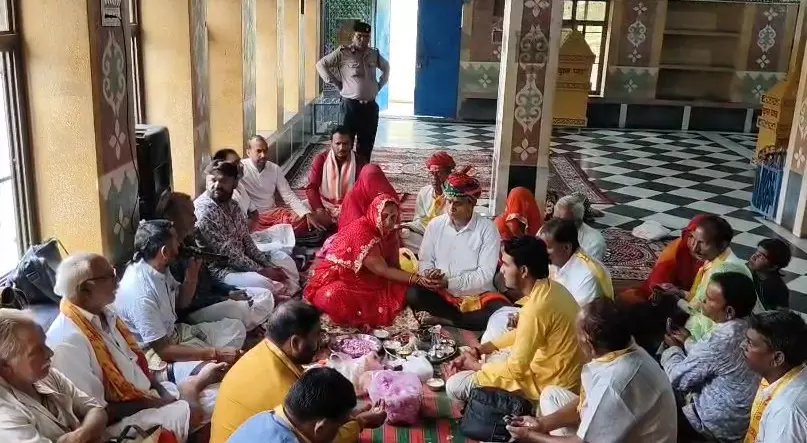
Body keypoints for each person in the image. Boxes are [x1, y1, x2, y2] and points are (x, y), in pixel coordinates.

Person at [46, 253, 224, 442]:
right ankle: (191, 388)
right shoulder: (68, 341)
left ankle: (190, 390)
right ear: (85, 289)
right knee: (217, 402)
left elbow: (137, 364)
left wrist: (161, 392)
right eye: (110, 276)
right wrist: (152, 403)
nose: (118, 281)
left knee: (220, 385)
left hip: (147, 395)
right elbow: (98, 413)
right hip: (119, 423)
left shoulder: (106, 313)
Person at [210, 301, 385, 443]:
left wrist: (345, 415)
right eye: (316, 336)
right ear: (295, 343)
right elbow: (321, 436)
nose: (320, 343)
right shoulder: (285, 389)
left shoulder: (261, 351)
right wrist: (360, 422)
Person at [505, 298, 677, 442]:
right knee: (551, 395)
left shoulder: (614, 384)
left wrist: (529, 436)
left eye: (577, 337)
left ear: (589, 344)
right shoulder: (626, 348)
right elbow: (588, 400)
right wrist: (542, 424)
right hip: (626, 426)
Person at [443, 236, 583, 404]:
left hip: (545, 385)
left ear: (523, 271)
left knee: (454, 385)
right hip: (555, 371)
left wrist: (476, 366)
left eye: (506, 264)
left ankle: (517, 405)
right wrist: (481, 349)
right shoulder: (553, 288)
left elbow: (516, 370)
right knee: (496, 327)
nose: (502, 270)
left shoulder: (537, 308)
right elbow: (523, 332)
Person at [115, 220, 246, 382]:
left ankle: (205, 360)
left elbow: (182, 303)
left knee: (236, 329)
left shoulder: (159, 268)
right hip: (155, 355)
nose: (180, 245)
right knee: (215, 371)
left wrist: (192, 275)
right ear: (164, 252)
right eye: (176, 241)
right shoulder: (141, 294)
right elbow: (163, 350)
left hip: (175, 334)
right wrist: (215, 353)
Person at [305, 194, 439, 327]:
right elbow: (383, 270)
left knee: (405, 291)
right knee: (331, 296)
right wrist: (417, 279)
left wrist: (410, 279)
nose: (389, 222)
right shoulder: (363, 233)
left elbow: (393, 265)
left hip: (373, 276)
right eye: (384, 216)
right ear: (375, 213)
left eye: (393, 217)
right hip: (346, 277)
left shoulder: (390, 232)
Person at [660, 272, 760, 442]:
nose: (702, 301)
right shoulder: (751, 324)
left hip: (710, 426)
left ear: (729, 311)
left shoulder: (722, 338)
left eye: (708, 299)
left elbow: (678, 379)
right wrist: (688, 342)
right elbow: (717, 359)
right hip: (738, 425)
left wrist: (672, 350)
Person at [157, 191, 276, 332]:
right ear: (173, 219)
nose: (195, 218)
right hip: (196, 311)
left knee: (265, 294)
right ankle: (248, 321)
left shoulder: (189, 241)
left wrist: (230, 291)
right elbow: (186, 304)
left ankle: (247, 321)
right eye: (190, 214)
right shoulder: (168, 255)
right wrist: (224, 298)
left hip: (216, 298)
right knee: (239, 309)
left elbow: (209, 278)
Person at [406, 171, 510, 330]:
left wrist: (449, 282)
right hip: (442, 292)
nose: (451, 208)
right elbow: (425, 260)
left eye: (458, 203)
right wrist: (429, 275)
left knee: (499, 311)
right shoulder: (435, 225)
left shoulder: (488, 229)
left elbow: (485, 275)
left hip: (478, 296)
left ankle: (448, 320)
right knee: (413, 294)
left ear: (471, 203)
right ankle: (458, 319)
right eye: (448, 202)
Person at [481, 219, 613, 344]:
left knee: (502, 337)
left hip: (575, 337)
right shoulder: (557, 261)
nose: (540, 252)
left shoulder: (587, 276)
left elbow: (577, 321)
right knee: (499, 319)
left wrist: (529, 321)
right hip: (548, 318)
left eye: (546, 248)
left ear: (566, 248)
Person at [0, 309, 108, 442]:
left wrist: (79, 436)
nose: (50, 353)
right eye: (36, 351)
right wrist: (87, 432)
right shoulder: (5, 415)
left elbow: (96, 409)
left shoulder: (46, 375)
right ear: (4, 366)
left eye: (44, 344)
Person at [195, 159, 295, 296]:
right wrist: (261, 270)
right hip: (223, 271)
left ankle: (288, 292)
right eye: (212, 180)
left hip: (245, 260)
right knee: (264, 283)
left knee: (283, 259)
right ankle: (282, 295)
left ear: (235, 182)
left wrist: (267, 265)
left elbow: (246, 240)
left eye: (223, 181)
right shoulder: (204, 210)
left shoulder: (233, 205)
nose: (217, 185)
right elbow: (227, 254)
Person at [227, 367, 380, 443]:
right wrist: (360, 423)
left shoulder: (262, 418)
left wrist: (356, 420)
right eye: (339, 426)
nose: (339, 431)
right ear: (321, 427)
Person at [315, 20, 390, 163]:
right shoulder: (343, 53)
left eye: (366, 37)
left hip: (370, 107)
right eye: (359, 36)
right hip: (349, 107)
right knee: (344, 144)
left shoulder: (374, 53)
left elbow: (386, 67)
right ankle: (344, 172)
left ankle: (361, 173)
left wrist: (378, 86)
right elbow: (321, 64)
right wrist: (335, 82)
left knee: (366, 145)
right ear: (353, 36)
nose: (363, 40)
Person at [743, 310, 807, 442]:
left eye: (750, 343)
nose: (742, 345)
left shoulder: (785, 414)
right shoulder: (791, 373)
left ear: (777, 358)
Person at [239, 135, 325, 234]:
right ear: (248, 152)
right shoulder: (240, 168)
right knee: (243, 227)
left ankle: (275, 231)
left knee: (305, 217)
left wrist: (306, 213)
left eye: (265, 151)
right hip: (253, 217)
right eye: (258, 151)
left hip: (273, 214)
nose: (263, 155)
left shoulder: (274, 169)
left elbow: (288, 194)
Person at [619, 215, 705, 305]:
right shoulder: (677, 249)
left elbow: (706, 304)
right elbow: (658, 279)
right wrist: (660, 290)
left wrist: (680, 294)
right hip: (674, 298)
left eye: (702, 242)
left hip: (697, 306)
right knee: (626, 299)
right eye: (691, 236)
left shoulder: (713, 266)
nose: (694, 246)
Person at [305, 126, 361, 230]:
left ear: (351, 144)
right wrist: (319, 209)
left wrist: (349, 209)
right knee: (302, 216)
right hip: (325, 205)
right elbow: (311, 187)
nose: (341, 148)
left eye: (345, 144)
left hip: (349, 207)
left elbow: (363, 191)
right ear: (331, 143)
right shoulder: (321, 159)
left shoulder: (359, 161)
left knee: (365, 223)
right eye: (338, 143)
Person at [401, 151, 456, 252]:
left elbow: (457, 223)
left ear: (448, 174)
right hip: (426, 234)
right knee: (401, 235)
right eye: (431, 173)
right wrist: (407, 226)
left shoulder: (455, 194)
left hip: (448, 235)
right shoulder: (424, 192)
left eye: (439, 173)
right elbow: (419, 220)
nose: (434, 178)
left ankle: (432, 251)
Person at [336, 163, 398, 229]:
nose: (374, 185)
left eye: (377, 180)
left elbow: (396, 217)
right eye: (369, 181)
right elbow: (353, 227)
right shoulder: (352, 198)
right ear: (363, 180)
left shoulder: (385, 193)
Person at [553, 195, 605, 260]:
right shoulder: (550, 230)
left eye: (562, 221)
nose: (556, 224)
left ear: (578, 222)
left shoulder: (593, 244)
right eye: (554, 219)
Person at [748, 238, 792, 310]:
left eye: (761, 256)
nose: (754, 257)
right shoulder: (749, 272)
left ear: (773, 267)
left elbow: (780, 313)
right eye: (756, 252)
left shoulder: (777, 290)